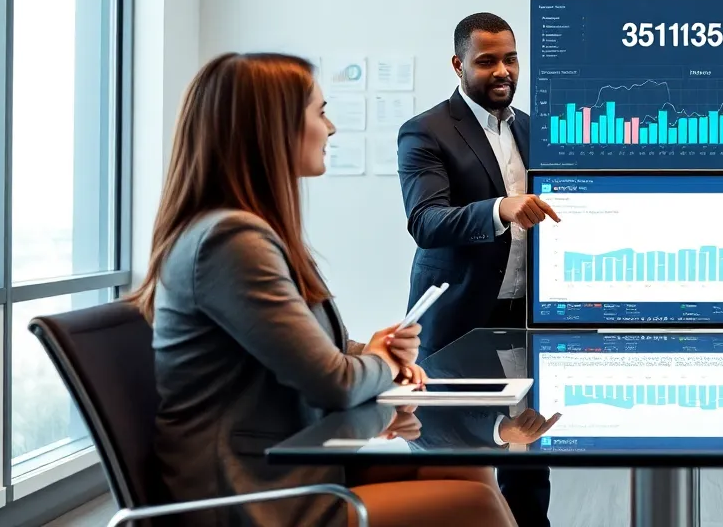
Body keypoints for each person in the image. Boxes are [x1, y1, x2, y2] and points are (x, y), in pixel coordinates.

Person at [125, 53, 515, 527]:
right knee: (475, 506)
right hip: (252, 494)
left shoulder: (244, 232)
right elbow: (334, 382)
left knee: (467, 462)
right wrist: (383, 363)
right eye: (320, 111)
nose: (330, 128)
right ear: (273, 129)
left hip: (293, 463)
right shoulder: (230, 243)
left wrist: (370, 351)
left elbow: (313, 354)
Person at [396, 12, 556, 527]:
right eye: (486, 61)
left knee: (528, 457)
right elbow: (426, 221)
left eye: (510, 59)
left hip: (527, 318)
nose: (502, 70)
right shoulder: (425, 131)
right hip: (458, 320)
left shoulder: (535, 129)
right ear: (458, 64)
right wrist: (499, 209)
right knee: (456, 462)